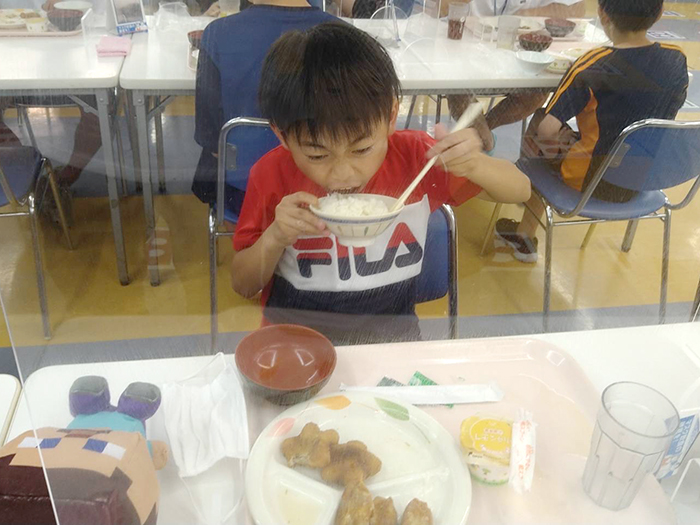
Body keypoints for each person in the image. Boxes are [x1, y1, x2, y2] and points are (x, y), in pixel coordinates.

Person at [230, 22, 530, 344]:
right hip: (296, 346)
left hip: (391, 343)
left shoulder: (417, 158)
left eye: (361, 149)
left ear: (390, 117)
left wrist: (475, 164)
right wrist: (275, 236)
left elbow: (521, 189)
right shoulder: (271, 175)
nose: (343, 174)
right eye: (317, 155)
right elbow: (244, 284)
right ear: (281, 135)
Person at [495, 0, 688, 263]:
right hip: (644, 179)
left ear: (602, 13)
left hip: (591, 181)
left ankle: (525, 229)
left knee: (540, 121)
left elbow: (547, 130)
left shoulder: (593, 64)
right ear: (660, 14)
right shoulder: (677, 59)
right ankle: (527, 214)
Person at [193, 0, 338, 215]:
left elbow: (211, 139)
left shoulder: (217, 34)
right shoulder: (343, 35)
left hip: (243, 194)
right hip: (324, 195)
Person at [446, 0, 586, 150]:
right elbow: (441, 8)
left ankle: (482, 133)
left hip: (519, 54)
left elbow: (577, 8)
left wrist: (523, 15)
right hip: (464, 48)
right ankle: (483, 140)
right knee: (456, 83)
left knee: (537, 91)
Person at [0, 0, 104, 194]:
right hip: (21, 57)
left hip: (84, 54)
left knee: (100, 109)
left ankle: (67, 175)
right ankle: (20, 176)